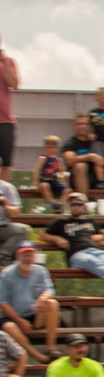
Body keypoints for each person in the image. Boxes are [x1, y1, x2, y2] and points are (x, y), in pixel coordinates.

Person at [41, 195, 104, 297]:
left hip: (94, 250)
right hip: (76, 255)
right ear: (69, 206)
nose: (76, 207)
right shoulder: (61, 221)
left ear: (84, 206)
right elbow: (43, 235)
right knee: (91, 261)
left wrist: (100, 236)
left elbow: (101, 234)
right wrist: (57, 239)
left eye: (79, 204)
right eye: (73, 204)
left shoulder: (91, 221)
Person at [0, 242, 59, 361]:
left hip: (34, 313)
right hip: (12, 317)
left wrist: (44, 297)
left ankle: (50, 348)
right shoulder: (7, 274)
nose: (28, 258)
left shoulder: (41, 271)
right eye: (24, 255)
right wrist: (19, 320)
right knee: (9, 327)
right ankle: (39, 357)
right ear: (18, 256)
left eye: (30, 255)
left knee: (52, 303)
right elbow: (3, 302)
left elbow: (50, 290)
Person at [61, 115, 104, 213]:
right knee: (80, 166)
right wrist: (89, 157)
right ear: (74, 126)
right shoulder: (70, 143)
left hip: (101, 177)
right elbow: (69, 160)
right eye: (79, 124)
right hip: (81, 177)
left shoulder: (96, 141)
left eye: (85, 124)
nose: (82, 126)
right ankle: (83, 206)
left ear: (89, 125)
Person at [0, 33, 19, 182]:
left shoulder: (9, 62)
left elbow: (15, 84)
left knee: (6, 161)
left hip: (5, 120)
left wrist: (5, 63)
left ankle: (3, 193)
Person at [0, 167, 27, 267]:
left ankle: (3, 256)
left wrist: (5, 206)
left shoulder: (7, 188)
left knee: (22, 230)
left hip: (2, 226)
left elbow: (16, 213)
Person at [34, 135, 69, 210]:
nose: (52, 149)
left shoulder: (57, 160)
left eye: (54, 148)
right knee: (44, 186)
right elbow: (36, 170)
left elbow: (62, 172)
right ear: (45, 147)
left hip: (54, 181)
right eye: (49, 147)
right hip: (44, 180)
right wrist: (35, 184)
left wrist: (65, 182)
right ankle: (52, 203)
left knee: (67, 189)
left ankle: (61, 205)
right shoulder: (43, 158)